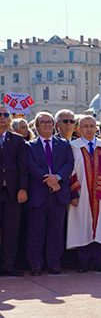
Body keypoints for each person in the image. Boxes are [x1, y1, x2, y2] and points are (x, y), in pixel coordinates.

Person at [26, 112, 74, 276]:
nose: (47, 124)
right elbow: (31, 166)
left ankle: (54, 263)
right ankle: (36, 265)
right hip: (39, 194)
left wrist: (58, 178)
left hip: (58, 194)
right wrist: (48, 180)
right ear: (37, 126)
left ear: (54, 125)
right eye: (43, 122)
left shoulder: (64, 144)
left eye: (49, 122)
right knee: (36, 232)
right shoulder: (30, 146)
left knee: (56, 231)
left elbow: (69, 164)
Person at [67, 115, 101, 272]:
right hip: (81, 193)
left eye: (92, 126)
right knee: (81, 225)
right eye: (85, 126)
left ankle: (99, 261)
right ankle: (83, 262)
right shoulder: (73, 146)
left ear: (97, 128)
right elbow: (69, 170)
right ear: (78, 129)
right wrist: (73, 193)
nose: (89, 129)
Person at [0, 108, 29, 276]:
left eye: (6, 115)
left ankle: (8, 265)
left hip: (12, 192)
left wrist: (23, 188)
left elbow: (23, 168)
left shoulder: (18, 140)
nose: (3, 118)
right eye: (0, 115)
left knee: (12, 230)